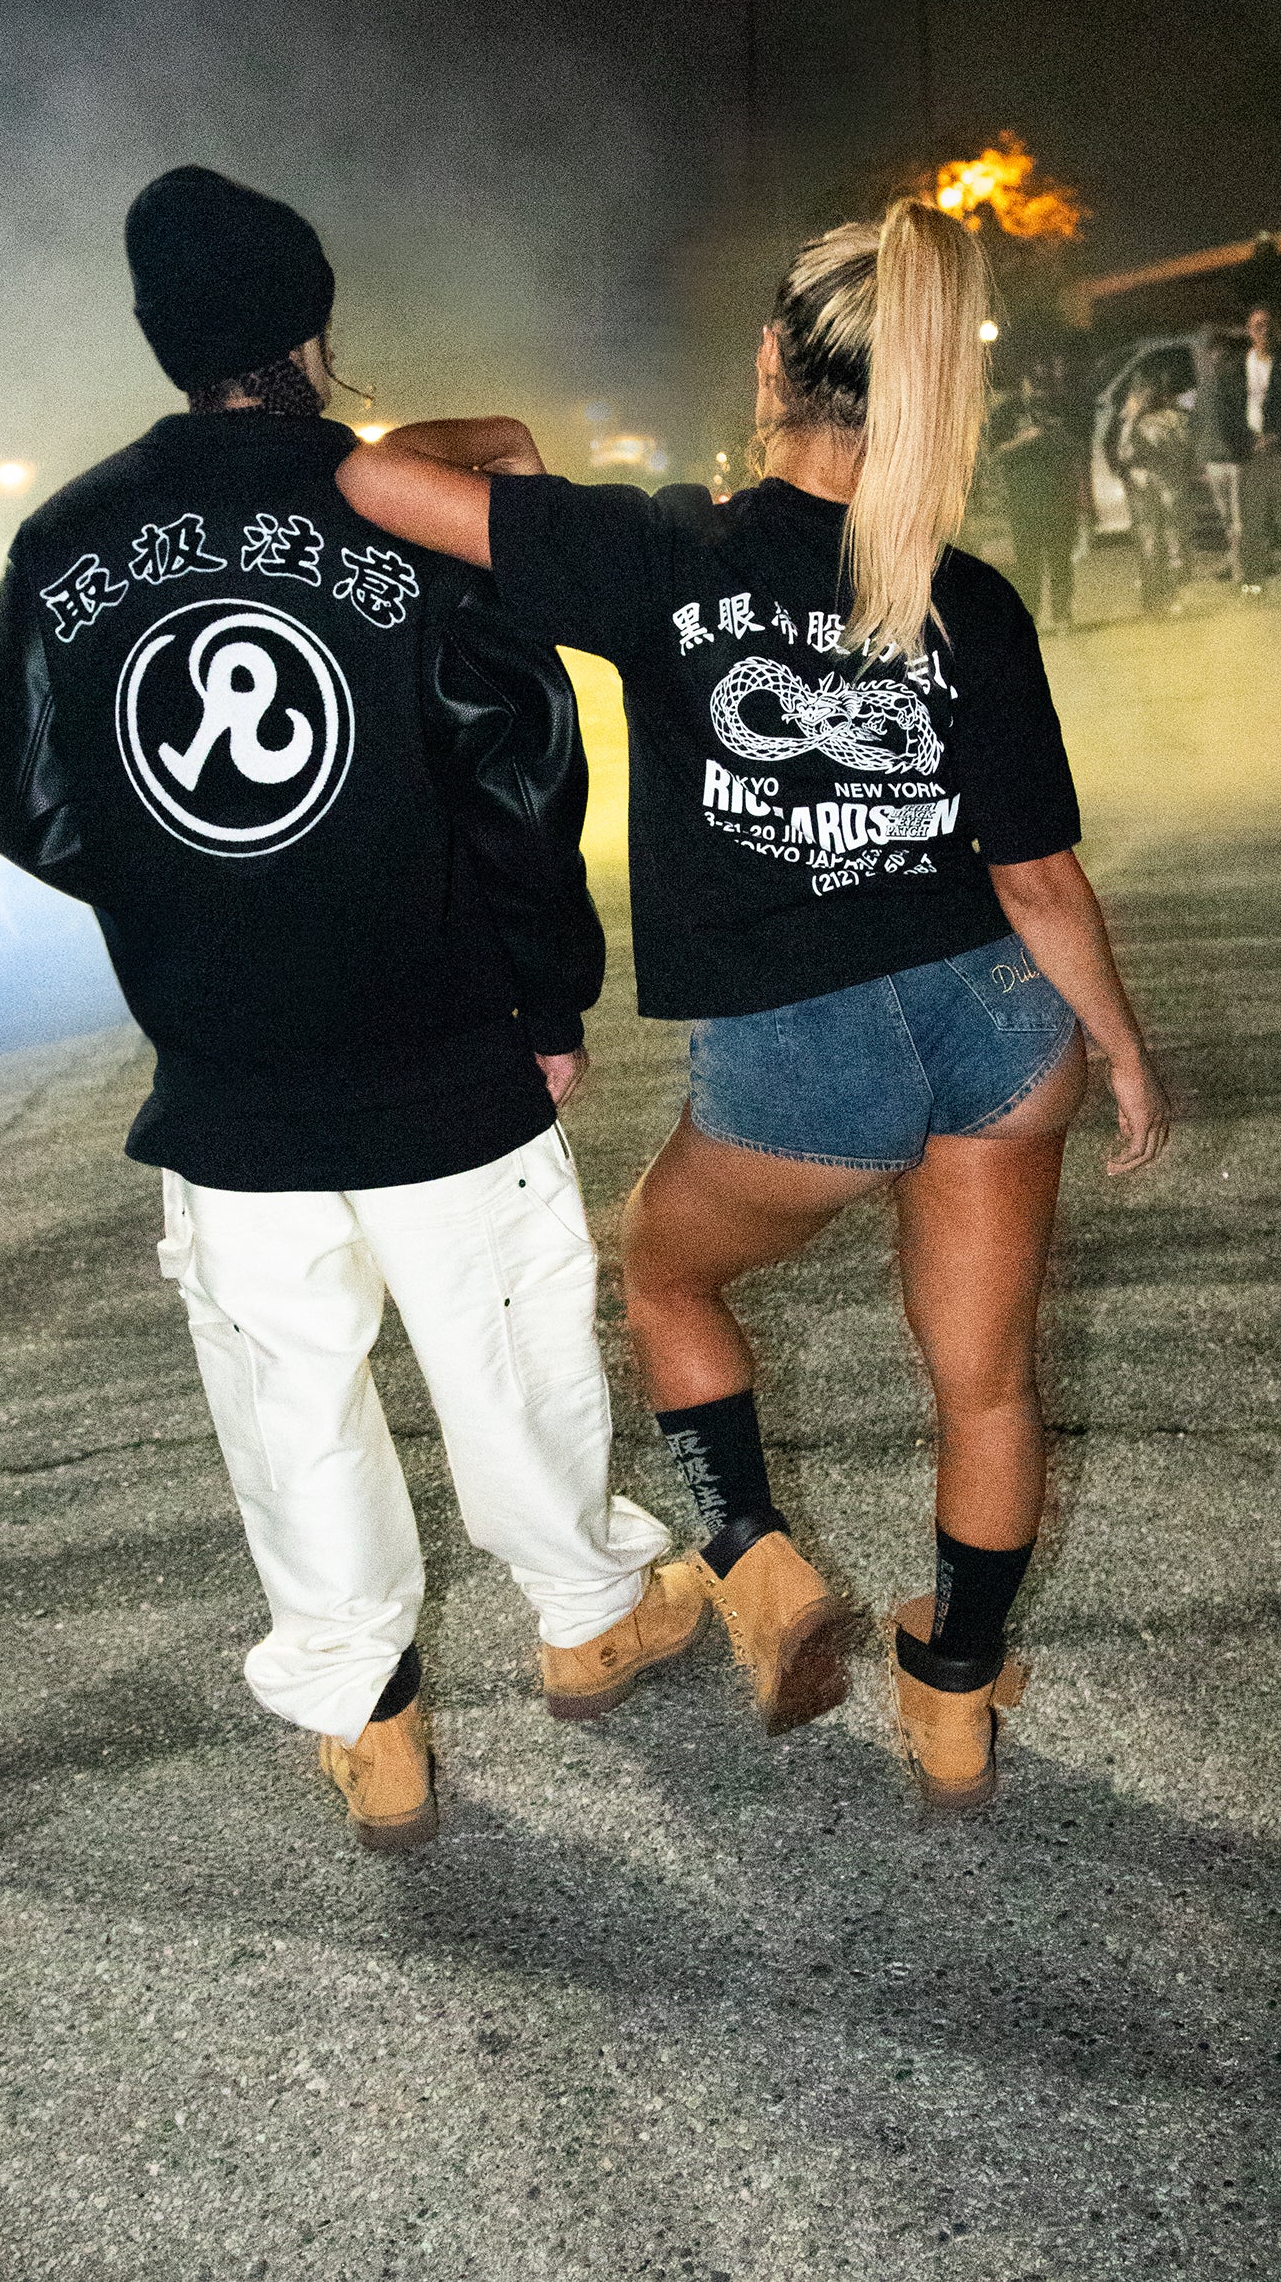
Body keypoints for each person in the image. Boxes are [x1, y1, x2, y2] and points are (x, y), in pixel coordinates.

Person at [336, 198, 1173, 1807]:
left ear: (777, 361)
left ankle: (755, 1560)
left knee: (666, 1277)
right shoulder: (966, 595)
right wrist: (1122, 1050)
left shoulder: (666, 552)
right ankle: (953, 1700)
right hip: (1001, 1023)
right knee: (988, 1383)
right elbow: (1038, 878)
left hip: (806, 1044)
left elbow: (368, 480)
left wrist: (497, 443)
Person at [0, 168, 697, 1854]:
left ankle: (374, 1727)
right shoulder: (404, 509)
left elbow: (23, 790)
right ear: (312, 327)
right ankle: (591, 1621)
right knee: (508, 1352)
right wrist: (551, 998)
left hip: (226, 1074)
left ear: (161, 341)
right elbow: (520, 775)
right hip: (442, 1042)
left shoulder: (65, 537)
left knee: (288, 1404)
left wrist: (187, 890)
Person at [1219, 303, 1281, 598]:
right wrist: (1245, 442)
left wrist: (1277, 435)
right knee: (1252, 522)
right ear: (1248, 331)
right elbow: (1226, 411)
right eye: (1257, 326)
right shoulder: (1235, 367)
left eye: (1268, 325)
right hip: (1251, 453)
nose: (1263, 331)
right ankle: (1252, 583)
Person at [986, 354, 1085, 632]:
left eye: (1044, 382)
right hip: (1023, 502)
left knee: (1060, 561)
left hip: (1058, 500)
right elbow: (994, 453)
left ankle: (1062, 615)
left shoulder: (1060, 409)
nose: (1039, 388)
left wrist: (1054, 434)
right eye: (1034, 381)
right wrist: (1023, 440)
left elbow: (1076, 447)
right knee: (1028, 564)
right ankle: (1030, 619)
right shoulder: (1007, 412)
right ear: (1023, 383)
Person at [1113, 363, 1194, 612]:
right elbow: (1120, 455)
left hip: (1166, 487)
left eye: (1146, 391)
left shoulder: (1171, 418)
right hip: (1145, 490)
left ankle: (1171, 596)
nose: (1141, 397)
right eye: (1138, 392)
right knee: (1150, 542)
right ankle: (1154, 598)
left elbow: (1182, 452)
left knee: (1171, 540)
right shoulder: (1130, 421)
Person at [1189, 333, 1242, 578]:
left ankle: (1240, 566)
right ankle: (1237, 562)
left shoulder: (1238, 385)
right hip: (1215, 460)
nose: (1216, 359)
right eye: (1213, 354)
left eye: (1222, 355)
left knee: (1238, 517)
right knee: (1228, 517)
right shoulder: (1206, 388)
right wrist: (1201, 459)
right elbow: (1198, 424)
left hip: (1235, 460)